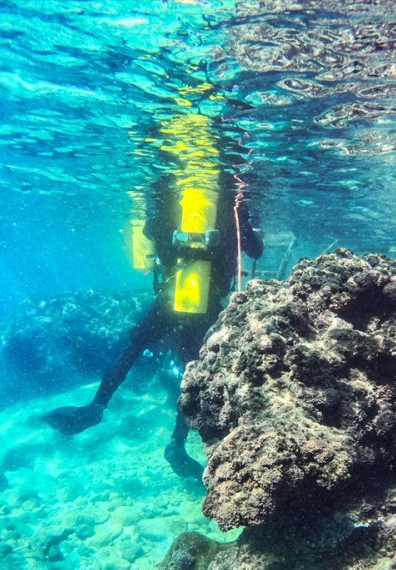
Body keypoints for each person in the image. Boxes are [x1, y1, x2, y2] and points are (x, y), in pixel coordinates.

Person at [42, 114, 263, 479]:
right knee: (197, 371)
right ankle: (177, 443)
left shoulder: (167, 194)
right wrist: (238, 224)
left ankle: (96, 405)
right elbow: (253, 251)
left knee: (132, 345)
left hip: (171, 295)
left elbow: (148, 233)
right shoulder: (230, 200)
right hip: (207, 304)